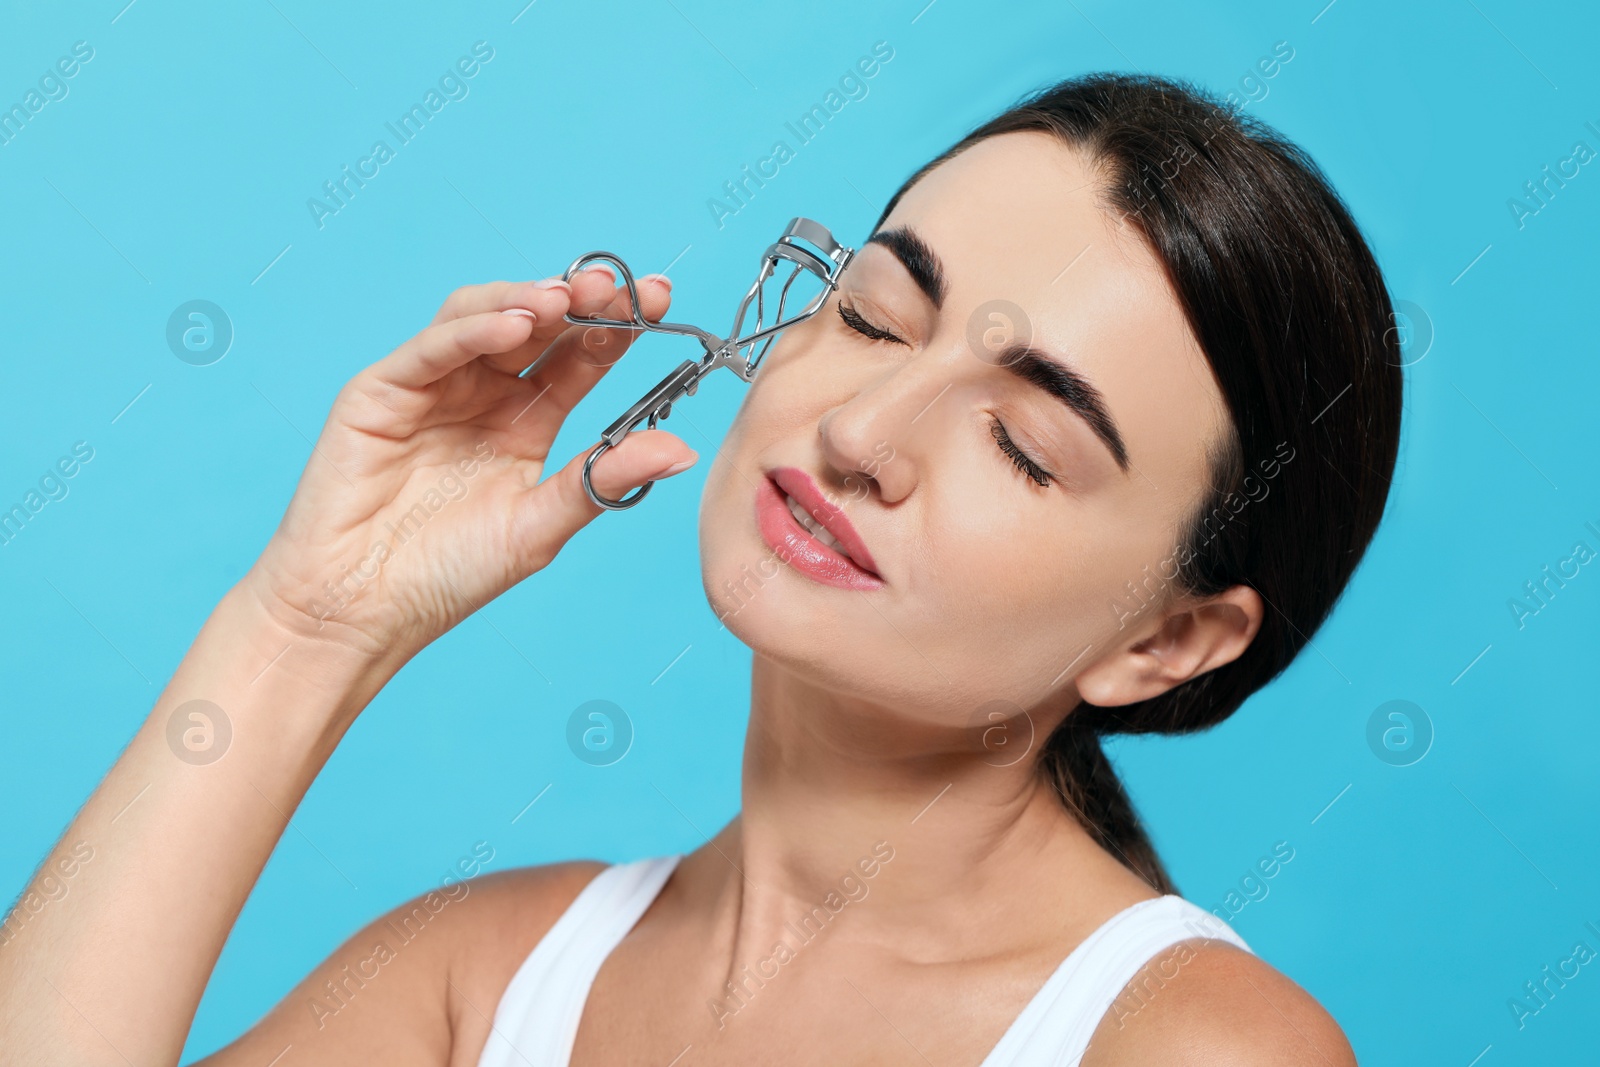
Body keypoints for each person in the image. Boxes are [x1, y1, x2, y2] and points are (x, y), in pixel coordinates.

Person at [0, 72, 1400, 1065]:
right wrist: (307, 626)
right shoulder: (473, 983)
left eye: (1025, 446)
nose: (859, 431)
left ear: (1164, 641)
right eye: (868, 315)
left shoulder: (1182, 1044)